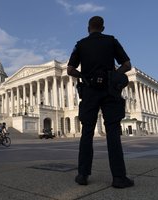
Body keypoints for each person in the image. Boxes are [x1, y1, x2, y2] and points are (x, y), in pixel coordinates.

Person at [67, 16, 134, 188]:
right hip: (109, 90)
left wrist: (84, 76)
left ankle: (83, 174)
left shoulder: (80, 44)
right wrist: (114, 74)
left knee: (87, 132)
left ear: (88, 28)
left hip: (89, 91)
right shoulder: (111, 41)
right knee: (112, 131)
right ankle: (119, 177)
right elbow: (127, 64)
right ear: (102, 28)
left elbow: (70, 70)